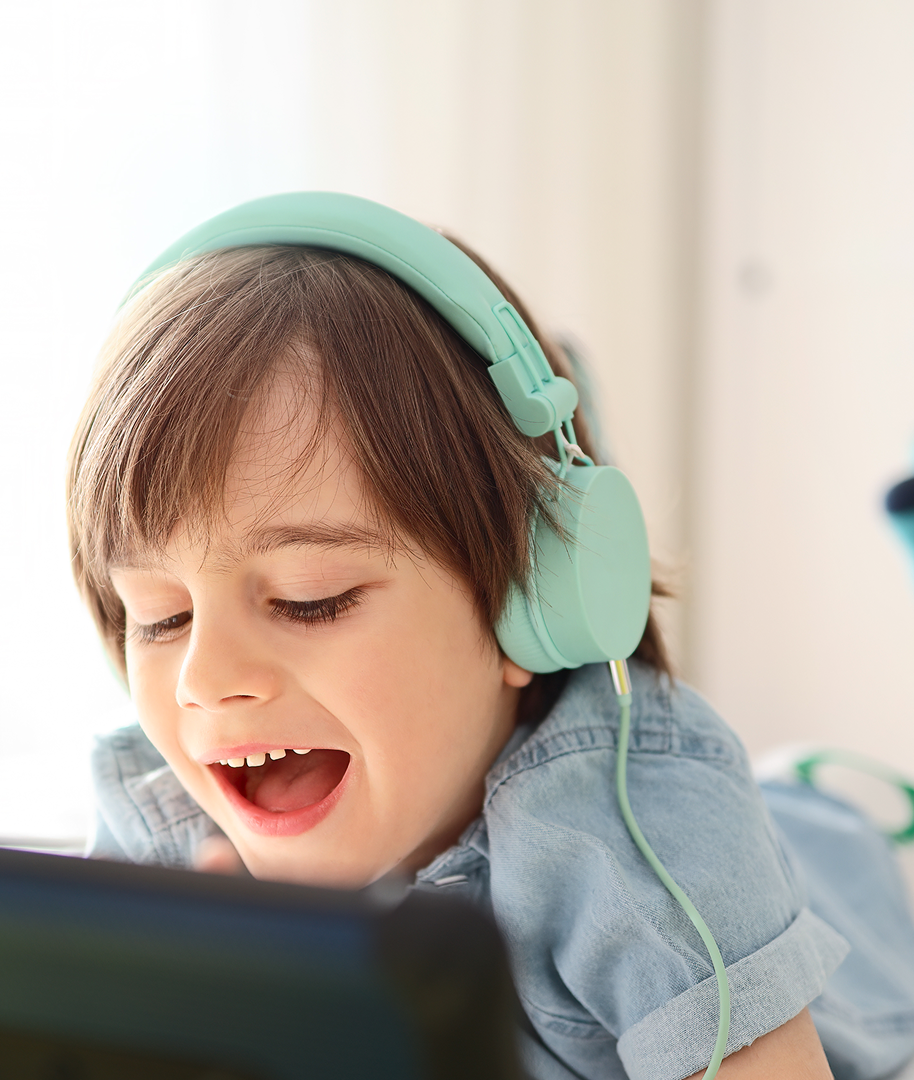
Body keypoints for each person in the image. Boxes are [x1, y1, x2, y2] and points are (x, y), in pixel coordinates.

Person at [66, 196, 914, 1080]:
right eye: (159, 616)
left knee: (820, 831)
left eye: (310, 599)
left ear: (528, 595)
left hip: (837, 887)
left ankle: (819, 787)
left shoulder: (641, 841)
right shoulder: (164, 819)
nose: (206, 679)